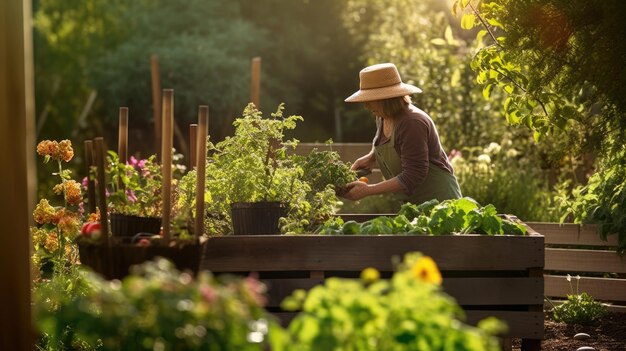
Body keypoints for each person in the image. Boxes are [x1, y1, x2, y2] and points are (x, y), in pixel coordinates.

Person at [343, 63, 462, 205]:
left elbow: (414, 175)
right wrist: (371, 158)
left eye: (369, 99)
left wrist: (368, 190)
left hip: (441, 203)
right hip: (413, 204)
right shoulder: (382, 116)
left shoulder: (412, 122)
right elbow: (390, 144)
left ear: (385, 99)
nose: (366, 105)